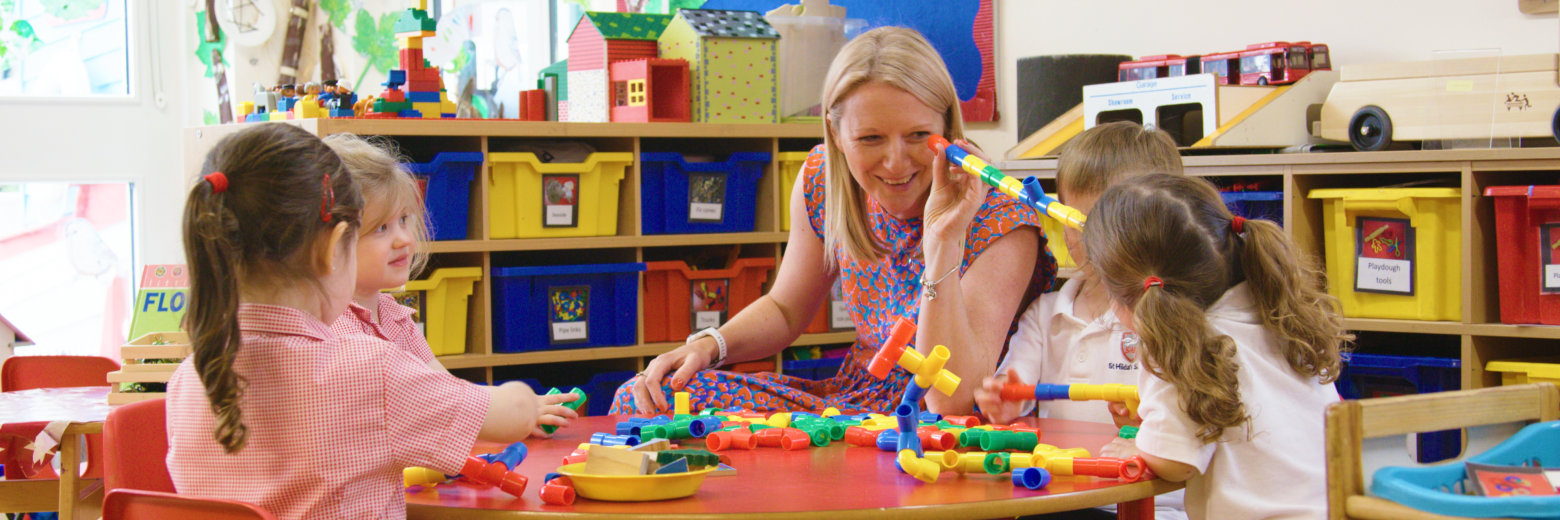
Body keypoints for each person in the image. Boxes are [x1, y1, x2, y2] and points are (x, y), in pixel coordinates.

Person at [613, 27, 1055, 416]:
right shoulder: (825, 180)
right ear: (836, 134)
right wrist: (710, 346)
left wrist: (943, 240)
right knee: (646, 397)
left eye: (919, 135)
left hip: (944, 424)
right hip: (853, 404)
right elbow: (786, 309)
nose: (896, 162)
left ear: (947, 125)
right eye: (870, 138)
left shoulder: (1002, 215)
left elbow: (951, 399)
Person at [166, 124, 547, 518]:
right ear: (333, 248)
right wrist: (524, 398)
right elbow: (512, 416)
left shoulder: (190, 379)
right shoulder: (370, 370)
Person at [1084, 174, 1350, 519]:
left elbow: (1176, 462)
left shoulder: (1179, 345)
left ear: (1126, 298)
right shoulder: (1277, 314)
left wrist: (1140, 445)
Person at [974, 122, 1187, 520]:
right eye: (1074, 217)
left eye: (1106, 222)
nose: (1089, 237)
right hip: (1055, 494)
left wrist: (1145, 421)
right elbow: (1014, 390)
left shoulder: (1171, 318)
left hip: (1156, 504)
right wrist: (1004, 400)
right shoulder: (1046, 312)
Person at [322, 134, 579, 437]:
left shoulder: (395, 317)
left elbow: (448, 391)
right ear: (334, 243)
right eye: (381, 228)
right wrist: (510, 411)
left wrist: (521, 411)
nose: (404, 239)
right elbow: (427, 411)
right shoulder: (335, 331)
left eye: (404, 220)